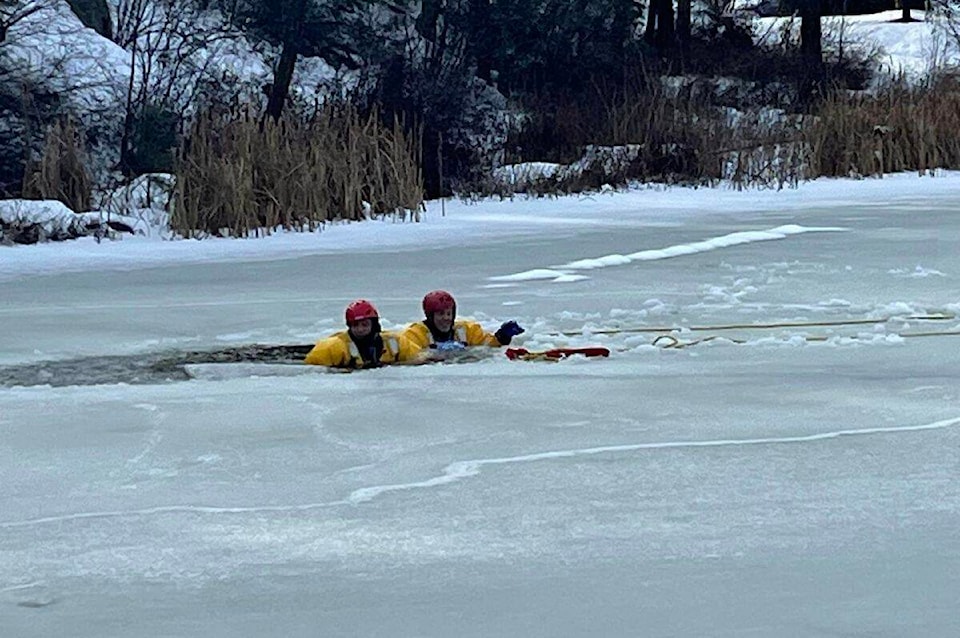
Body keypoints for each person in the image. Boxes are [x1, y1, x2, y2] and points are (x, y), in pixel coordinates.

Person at [304, 299, 421, 369]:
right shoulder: (331, 347)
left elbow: (421, 358)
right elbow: (312, 370)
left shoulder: (395, 342)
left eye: (365, 324)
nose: (360, 329)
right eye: (355, 325)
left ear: (374, 324)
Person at [402, 289, 525, 353]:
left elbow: (488, 345)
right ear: (430, 316)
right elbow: (410, 357)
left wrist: (502, 336)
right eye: (440, 314)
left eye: (449, 313)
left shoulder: (466, 330)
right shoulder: (415, 334)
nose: (446, 318)